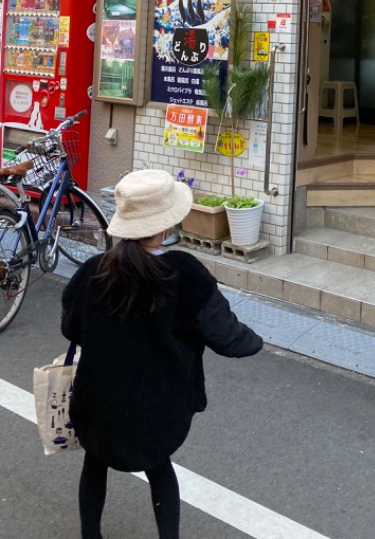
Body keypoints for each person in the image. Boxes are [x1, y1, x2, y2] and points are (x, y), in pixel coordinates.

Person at [61, 170, 263, 539]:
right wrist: (254, 341)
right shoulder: (185, 273)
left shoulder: (93, 271)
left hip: (98, 403)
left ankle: (90, 535)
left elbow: (71, 328)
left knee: (95, 462)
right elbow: (228, 339)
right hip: (159, 408)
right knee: (159, 466)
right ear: (167, 223)